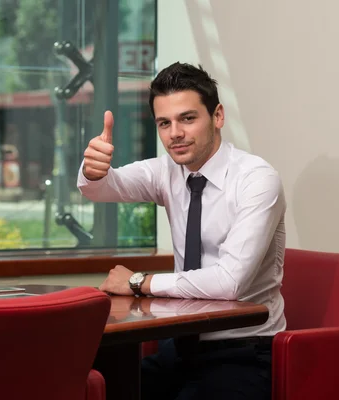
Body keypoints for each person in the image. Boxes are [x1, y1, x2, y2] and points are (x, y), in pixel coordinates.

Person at [77, 62, 286, 400]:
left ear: (217, 116)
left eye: (188, 119)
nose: (174, 133)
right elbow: (102, 188)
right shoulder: (167, 172)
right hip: (180, 348)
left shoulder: (257, 179)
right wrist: (93, 169)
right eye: (164, 123)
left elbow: (230, 282)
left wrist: (138, 282)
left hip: (245, 352)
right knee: (94, 387)